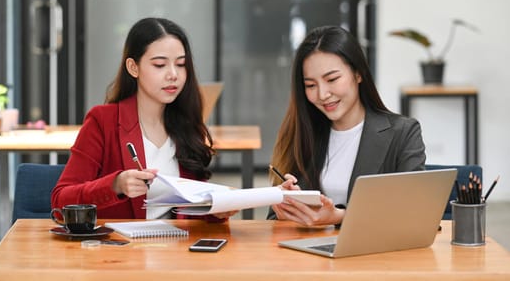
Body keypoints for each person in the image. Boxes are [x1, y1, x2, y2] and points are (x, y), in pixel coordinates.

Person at [52, 17, 235, 221]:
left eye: (181, 64)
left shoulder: (187, 125)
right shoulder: (103, 121)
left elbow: (191, 212)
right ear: (133, 67)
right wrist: (116, 185)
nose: (173, 74)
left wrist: (216, 210)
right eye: (159, 65)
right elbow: (60, 201)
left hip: (178, 248)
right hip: (122, 250)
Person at [267, 25, 425, 226]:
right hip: (308, 253)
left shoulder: (403, 132)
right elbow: (272, 220)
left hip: (373, 254)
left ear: (358, 74)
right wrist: (287, 209)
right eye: (310, 85)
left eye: (332, 79)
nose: (323, 94)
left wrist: (339, 217)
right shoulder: (302, 133)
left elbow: (413, 211)